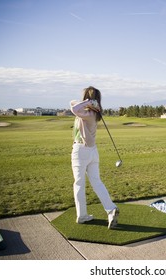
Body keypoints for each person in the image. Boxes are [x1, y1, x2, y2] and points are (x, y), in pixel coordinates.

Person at [70, 86, 119, 228]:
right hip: (92, 152)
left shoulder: (88, 113)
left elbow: (73, 108)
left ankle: (82, 215)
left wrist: (87, 103)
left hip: (80, 151)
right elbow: (72, 102)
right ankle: (111, 210)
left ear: (87, 97)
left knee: (79, 183)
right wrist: (89, 102)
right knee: (97, 182)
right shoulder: (93, 112)